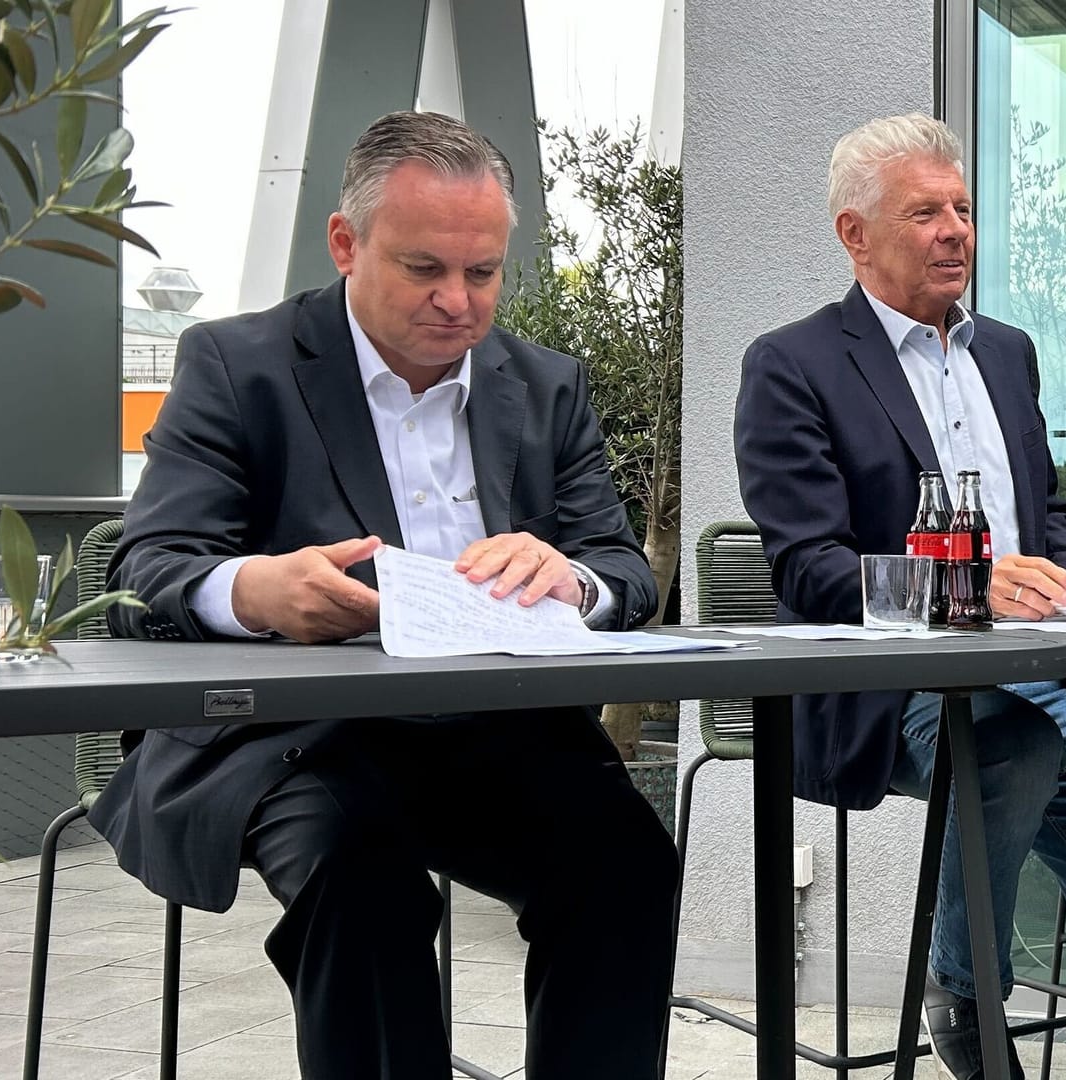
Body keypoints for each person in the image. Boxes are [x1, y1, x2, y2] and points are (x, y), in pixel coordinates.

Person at [88, 111, 675, 1079]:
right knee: (364, 880)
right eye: (425, 270)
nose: (459, 302)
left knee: (626, 863)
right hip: (301, 741)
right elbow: (147, 567)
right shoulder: (240, 368)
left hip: (495, 732)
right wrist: (259, 590)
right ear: (345, 243)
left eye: (483, 274)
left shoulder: (546, 386)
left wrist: (566, 577)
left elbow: (624, 569)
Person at [734, 113, 1066, 1080]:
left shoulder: (1007, 352)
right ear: (855, 234)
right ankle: (965, 987)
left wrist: (1064, 579)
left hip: (1034, 675)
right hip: (892, 687)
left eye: (964, 209)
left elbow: (1045, 515)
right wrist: (971, 583)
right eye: (924, 212)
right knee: (1009, 748)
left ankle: (970, 986)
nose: (954, 231)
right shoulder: (793, 363)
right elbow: (808, 569)